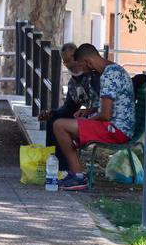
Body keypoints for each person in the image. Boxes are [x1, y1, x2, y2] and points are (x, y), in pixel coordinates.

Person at [53, 44, 135, 191]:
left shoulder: (107, 76)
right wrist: (89, 111)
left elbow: (105, 115)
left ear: (88, 62)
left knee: (59, 125)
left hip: (116, 130)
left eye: (83, 68)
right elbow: (109, 108)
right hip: (121, 127)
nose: (86, 72)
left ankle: (77, 177)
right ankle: (75, 174)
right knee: (67, 125)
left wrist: (85, 121)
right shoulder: (115, 69)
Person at [38, 43, 100, 170]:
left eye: (72, 58)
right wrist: (52, 113)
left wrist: (88, 112)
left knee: (59, 126)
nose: (71, 63)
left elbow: (105, 107)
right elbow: (69, 109)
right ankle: (57, 166)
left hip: (102, 119)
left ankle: (66, 168)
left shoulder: (95, 76)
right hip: (90, 118)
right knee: (53, 121)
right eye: (66, 61)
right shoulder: (73, 83)